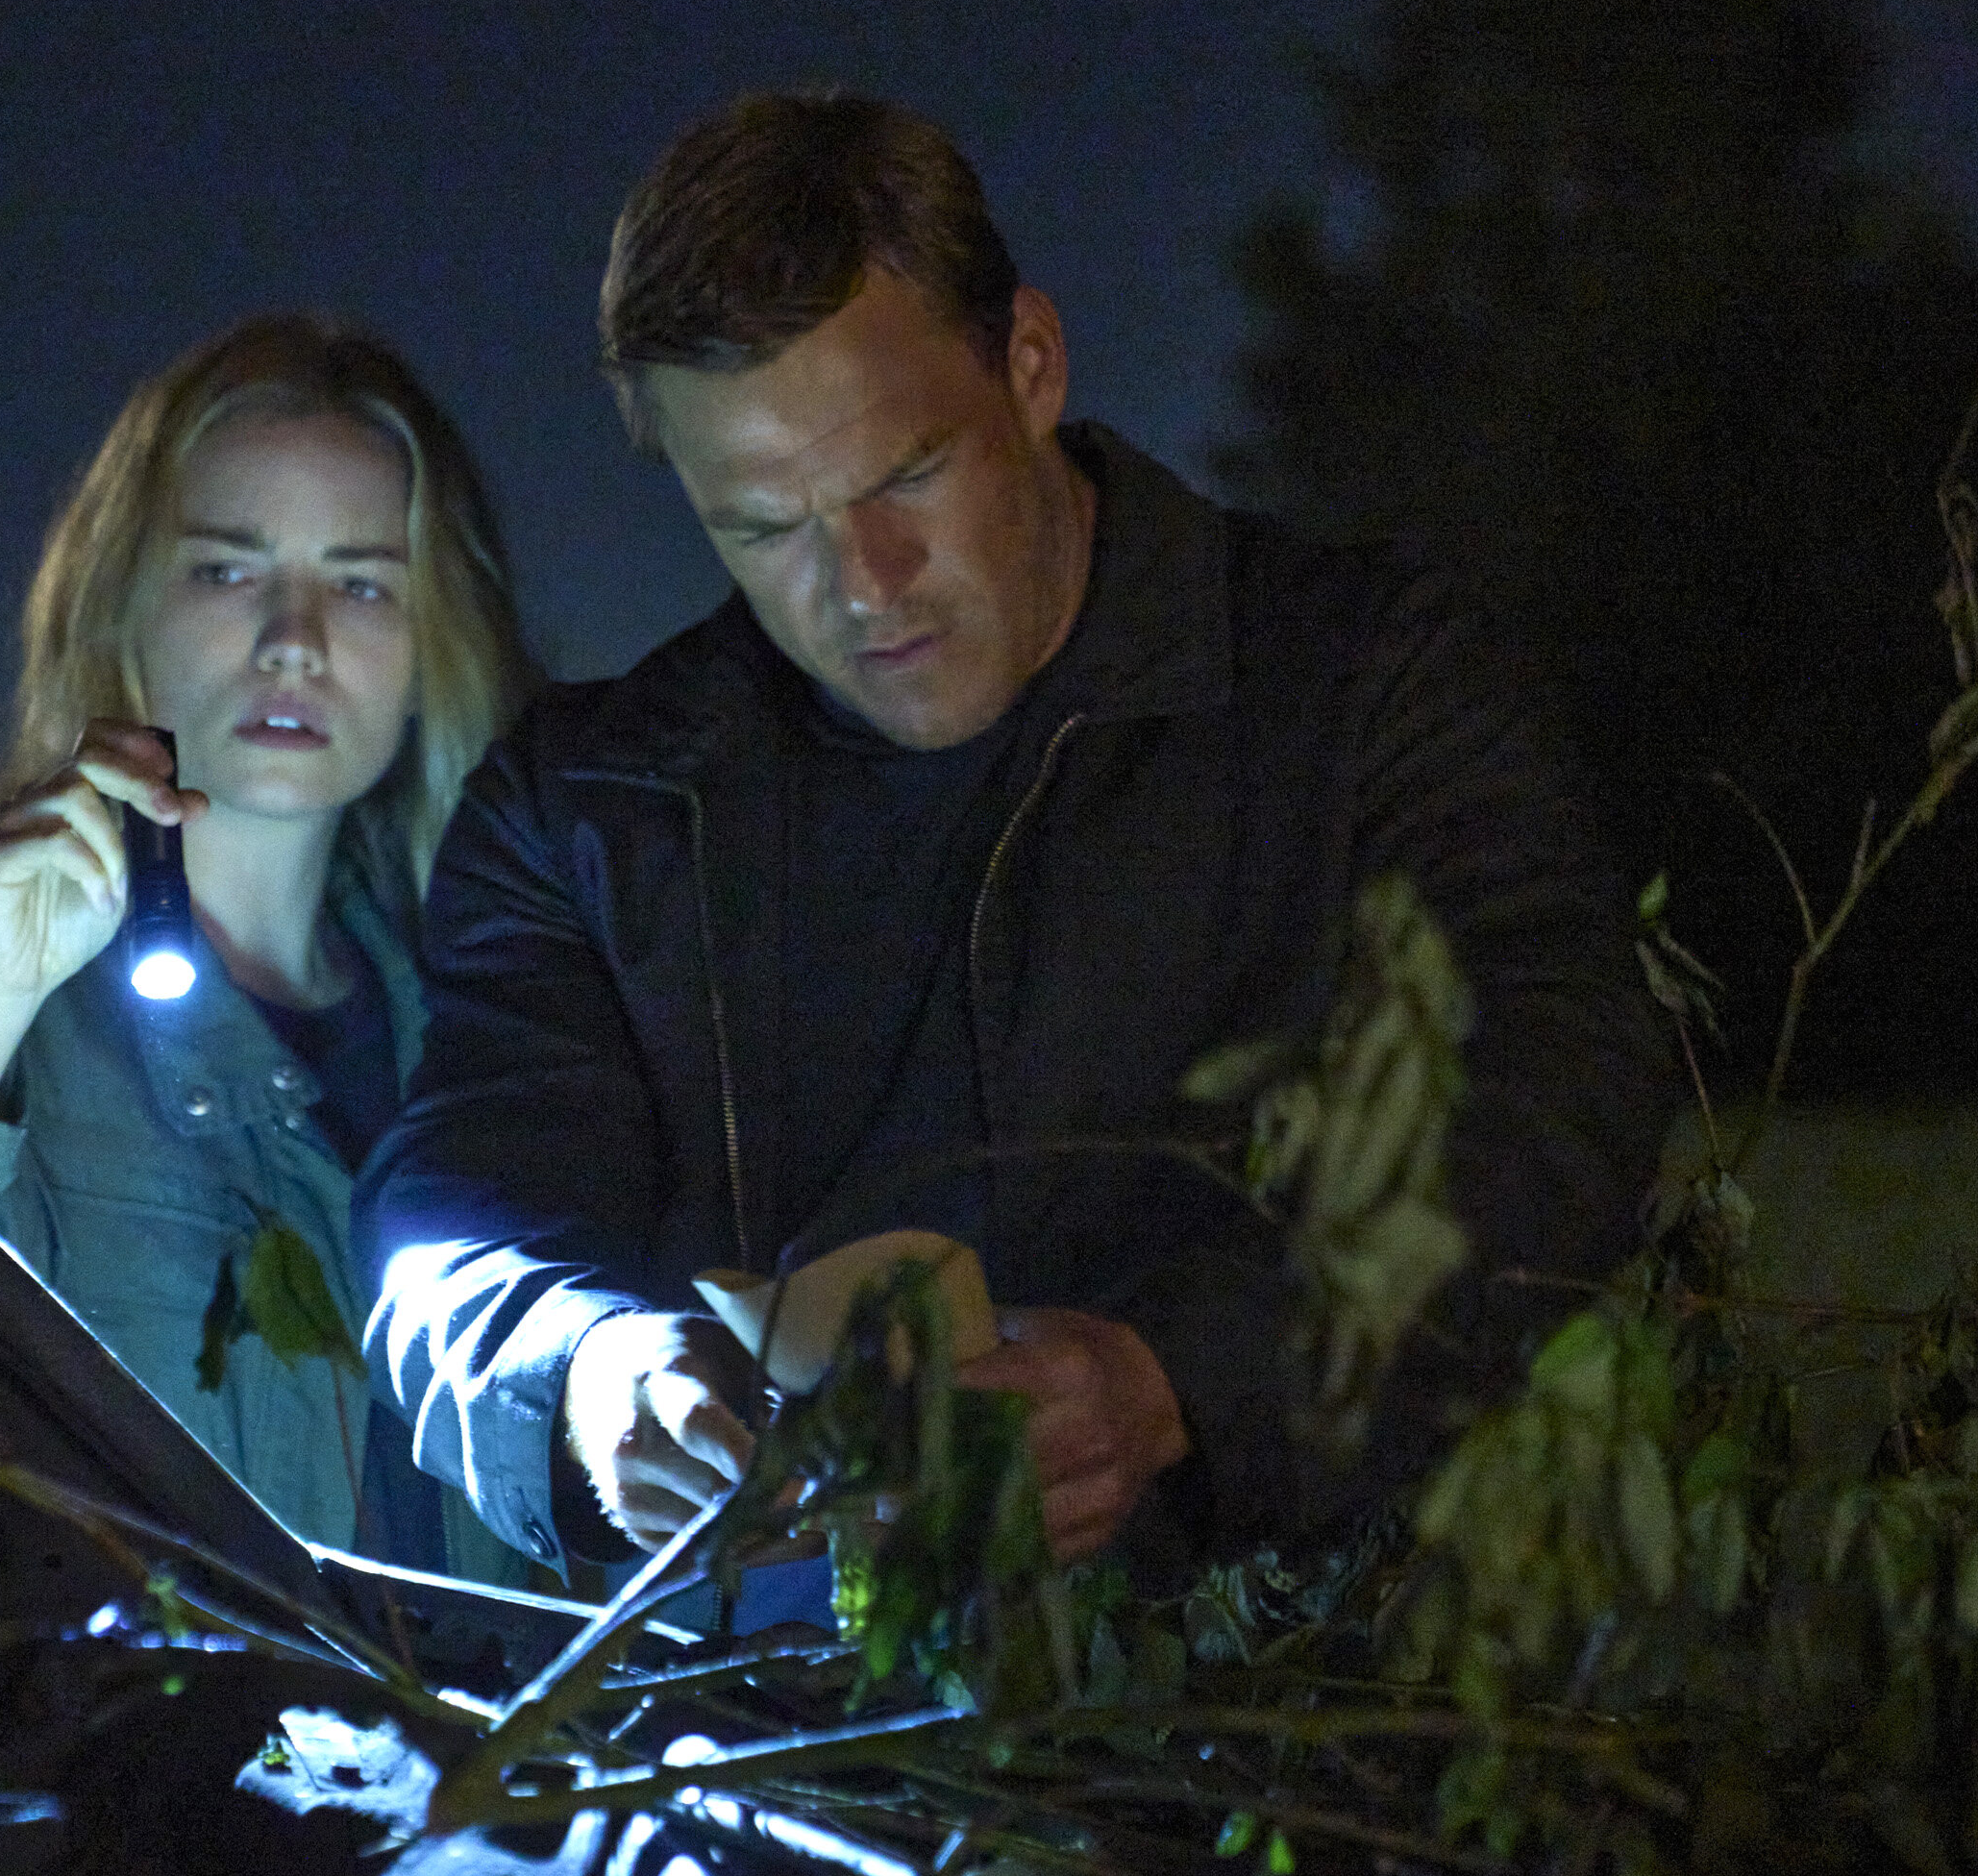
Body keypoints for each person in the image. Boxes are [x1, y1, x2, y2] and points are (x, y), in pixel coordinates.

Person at [358, 93, 1674, 1598]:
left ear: (1031, 365)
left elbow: (1559, 1089)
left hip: (1290, 1676)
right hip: (764, 1705)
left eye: (905, 476)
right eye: (765, 528)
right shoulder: (586, 806)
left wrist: (1183, 1380)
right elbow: (455, 1225)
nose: (866, 584)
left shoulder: (1363, 684)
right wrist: (583, 1377)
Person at [0, 312, 534, 1577]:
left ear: (434, 643)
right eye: (227, 570)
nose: (296, 638)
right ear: (120, 610)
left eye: (362, 582)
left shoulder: (499, 1034)